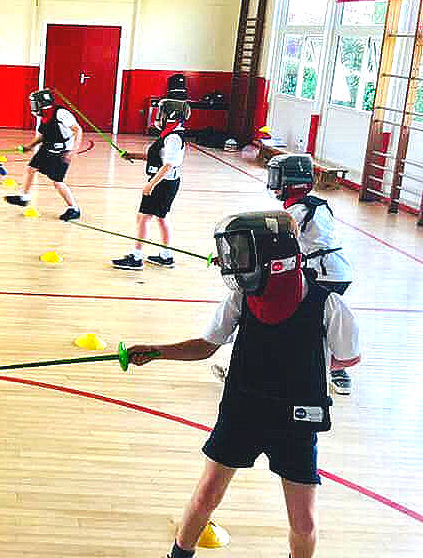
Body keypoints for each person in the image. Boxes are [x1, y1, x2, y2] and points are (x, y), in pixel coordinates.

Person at [127, 210, 360, 558]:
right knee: (206, 495)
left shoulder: (328, 306)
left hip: (294, 423)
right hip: (242, 411)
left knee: (304, 522)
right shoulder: (241, 300)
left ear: (273, 259)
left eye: (241, 253)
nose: (232, 262)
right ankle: (178, 554)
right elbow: (206, 346)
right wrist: (158, 351)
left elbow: (346, 358)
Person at [214, 154, 356, 394]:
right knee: (312, 323)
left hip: (323, 272)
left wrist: (238, 260)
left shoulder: (297, 213)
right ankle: (335, 371)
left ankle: (332, 372)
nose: (273, 183)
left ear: (292, 182)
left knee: (293, 322)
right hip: (336, 270)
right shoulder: (315, 205)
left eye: (277, 177)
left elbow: (272, 243)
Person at [112, 98, 188, 270]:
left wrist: (151, 184)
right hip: (164, 182)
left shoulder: (174, 138)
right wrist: (132, 155)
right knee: (160, 218)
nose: (158, 116)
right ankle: (166, 256)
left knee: (144, 218)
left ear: (171, 115)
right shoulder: (169, 134)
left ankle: (136, 258)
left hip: (164, 183)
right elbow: (159, 157)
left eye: (161, 113)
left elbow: (168, 165)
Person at [4, 89, 83, 221]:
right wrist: (30, 146)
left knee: (57, 182)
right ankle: (24, 197)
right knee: (31, 169)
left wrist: (72, 152)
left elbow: (78, 130)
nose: (32, 106)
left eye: (34, 104)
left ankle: (74, 209)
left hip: (62, 151)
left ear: (43, 104)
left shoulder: (61, 114)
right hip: (47, 146)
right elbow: (42, 135)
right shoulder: (44, 115)